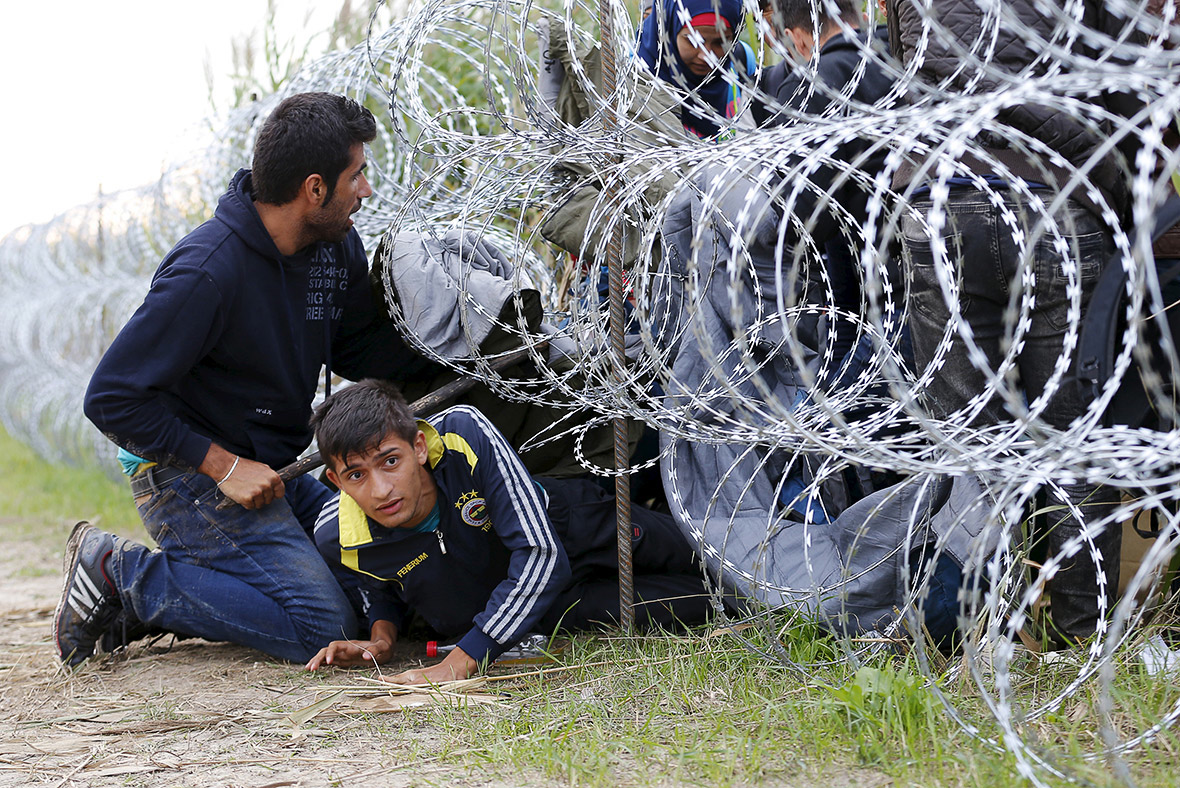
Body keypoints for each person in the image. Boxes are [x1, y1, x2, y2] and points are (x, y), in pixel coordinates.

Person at [56, 92, 425, 667]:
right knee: (320, 626)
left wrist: (469, 365)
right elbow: (110, 397)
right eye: (357, 175)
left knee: (373, 576)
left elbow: (362, 348)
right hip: (186, 477)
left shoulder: (333, 248)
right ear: (315, 189)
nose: (367, 190)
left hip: (275, 470)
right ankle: (123, 575)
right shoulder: (209, 271)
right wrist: (223, 467)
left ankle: (159, 599)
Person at [887, 0, 1140, 646]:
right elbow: (1121, 79)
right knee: (1071, 443)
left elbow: (912, 65)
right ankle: (1081, 642)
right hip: (1057, 199)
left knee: (968, 444)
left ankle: (982, 630)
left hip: (942, 197)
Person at [304, 379, 714, 683]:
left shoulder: (461, 435)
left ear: (417, 447)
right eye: (356, 474)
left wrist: (461, 661)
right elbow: (382, 586)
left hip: (581, 530)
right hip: (550, 607)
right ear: (336, 482)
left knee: (716, 554)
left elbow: (541, 554)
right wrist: (381, 639)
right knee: (713, 601)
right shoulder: (335, 534)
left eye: (390, 461)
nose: (380, 490)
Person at [636, 0, 757, 138]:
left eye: (720, 42)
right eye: (694, 41)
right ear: (669, 29)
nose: (706, 56)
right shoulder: (639, 79)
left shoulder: (741, 62)